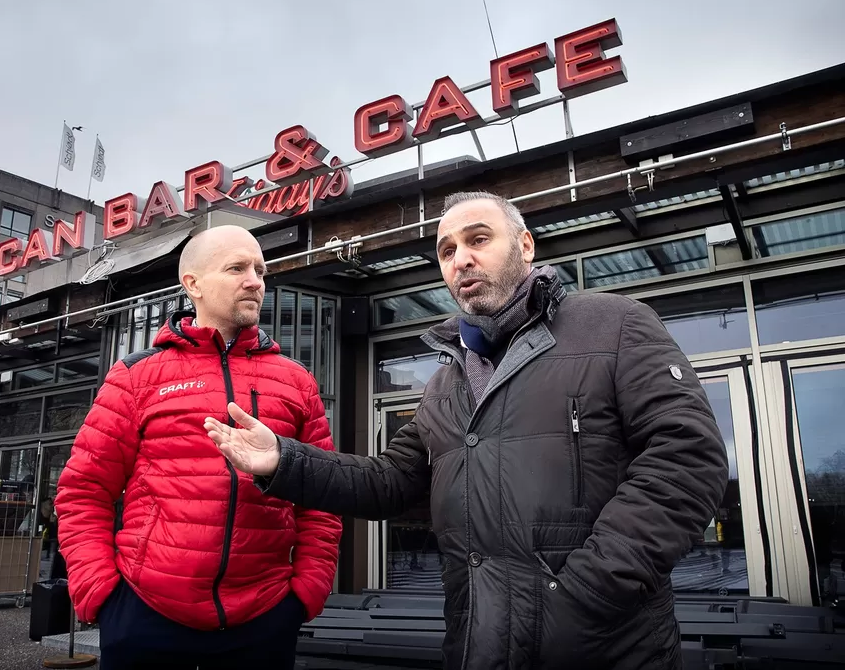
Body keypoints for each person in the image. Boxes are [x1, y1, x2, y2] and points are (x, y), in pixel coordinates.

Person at [205, 192, 730, 670]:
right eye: (446, 250)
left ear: (524, 244)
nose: (461, 259)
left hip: (605, 648)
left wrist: (585, 594)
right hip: (477, 644)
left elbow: (687, 458)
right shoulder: (445, 385)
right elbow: (389, 481)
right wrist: (284, 460)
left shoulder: (615, 324)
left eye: (478, 239)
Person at [55, 224, 342, 670]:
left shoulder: (296, 381)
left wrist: (306, 592)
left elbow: (323, 496)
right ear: (193, 284)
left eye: (260, 270)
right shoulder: (136, 376)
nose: (255, 280)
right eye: (237, 268)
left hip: (265, 618)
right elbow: (83, 491)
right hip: (145, 614)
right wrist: (101, 593)